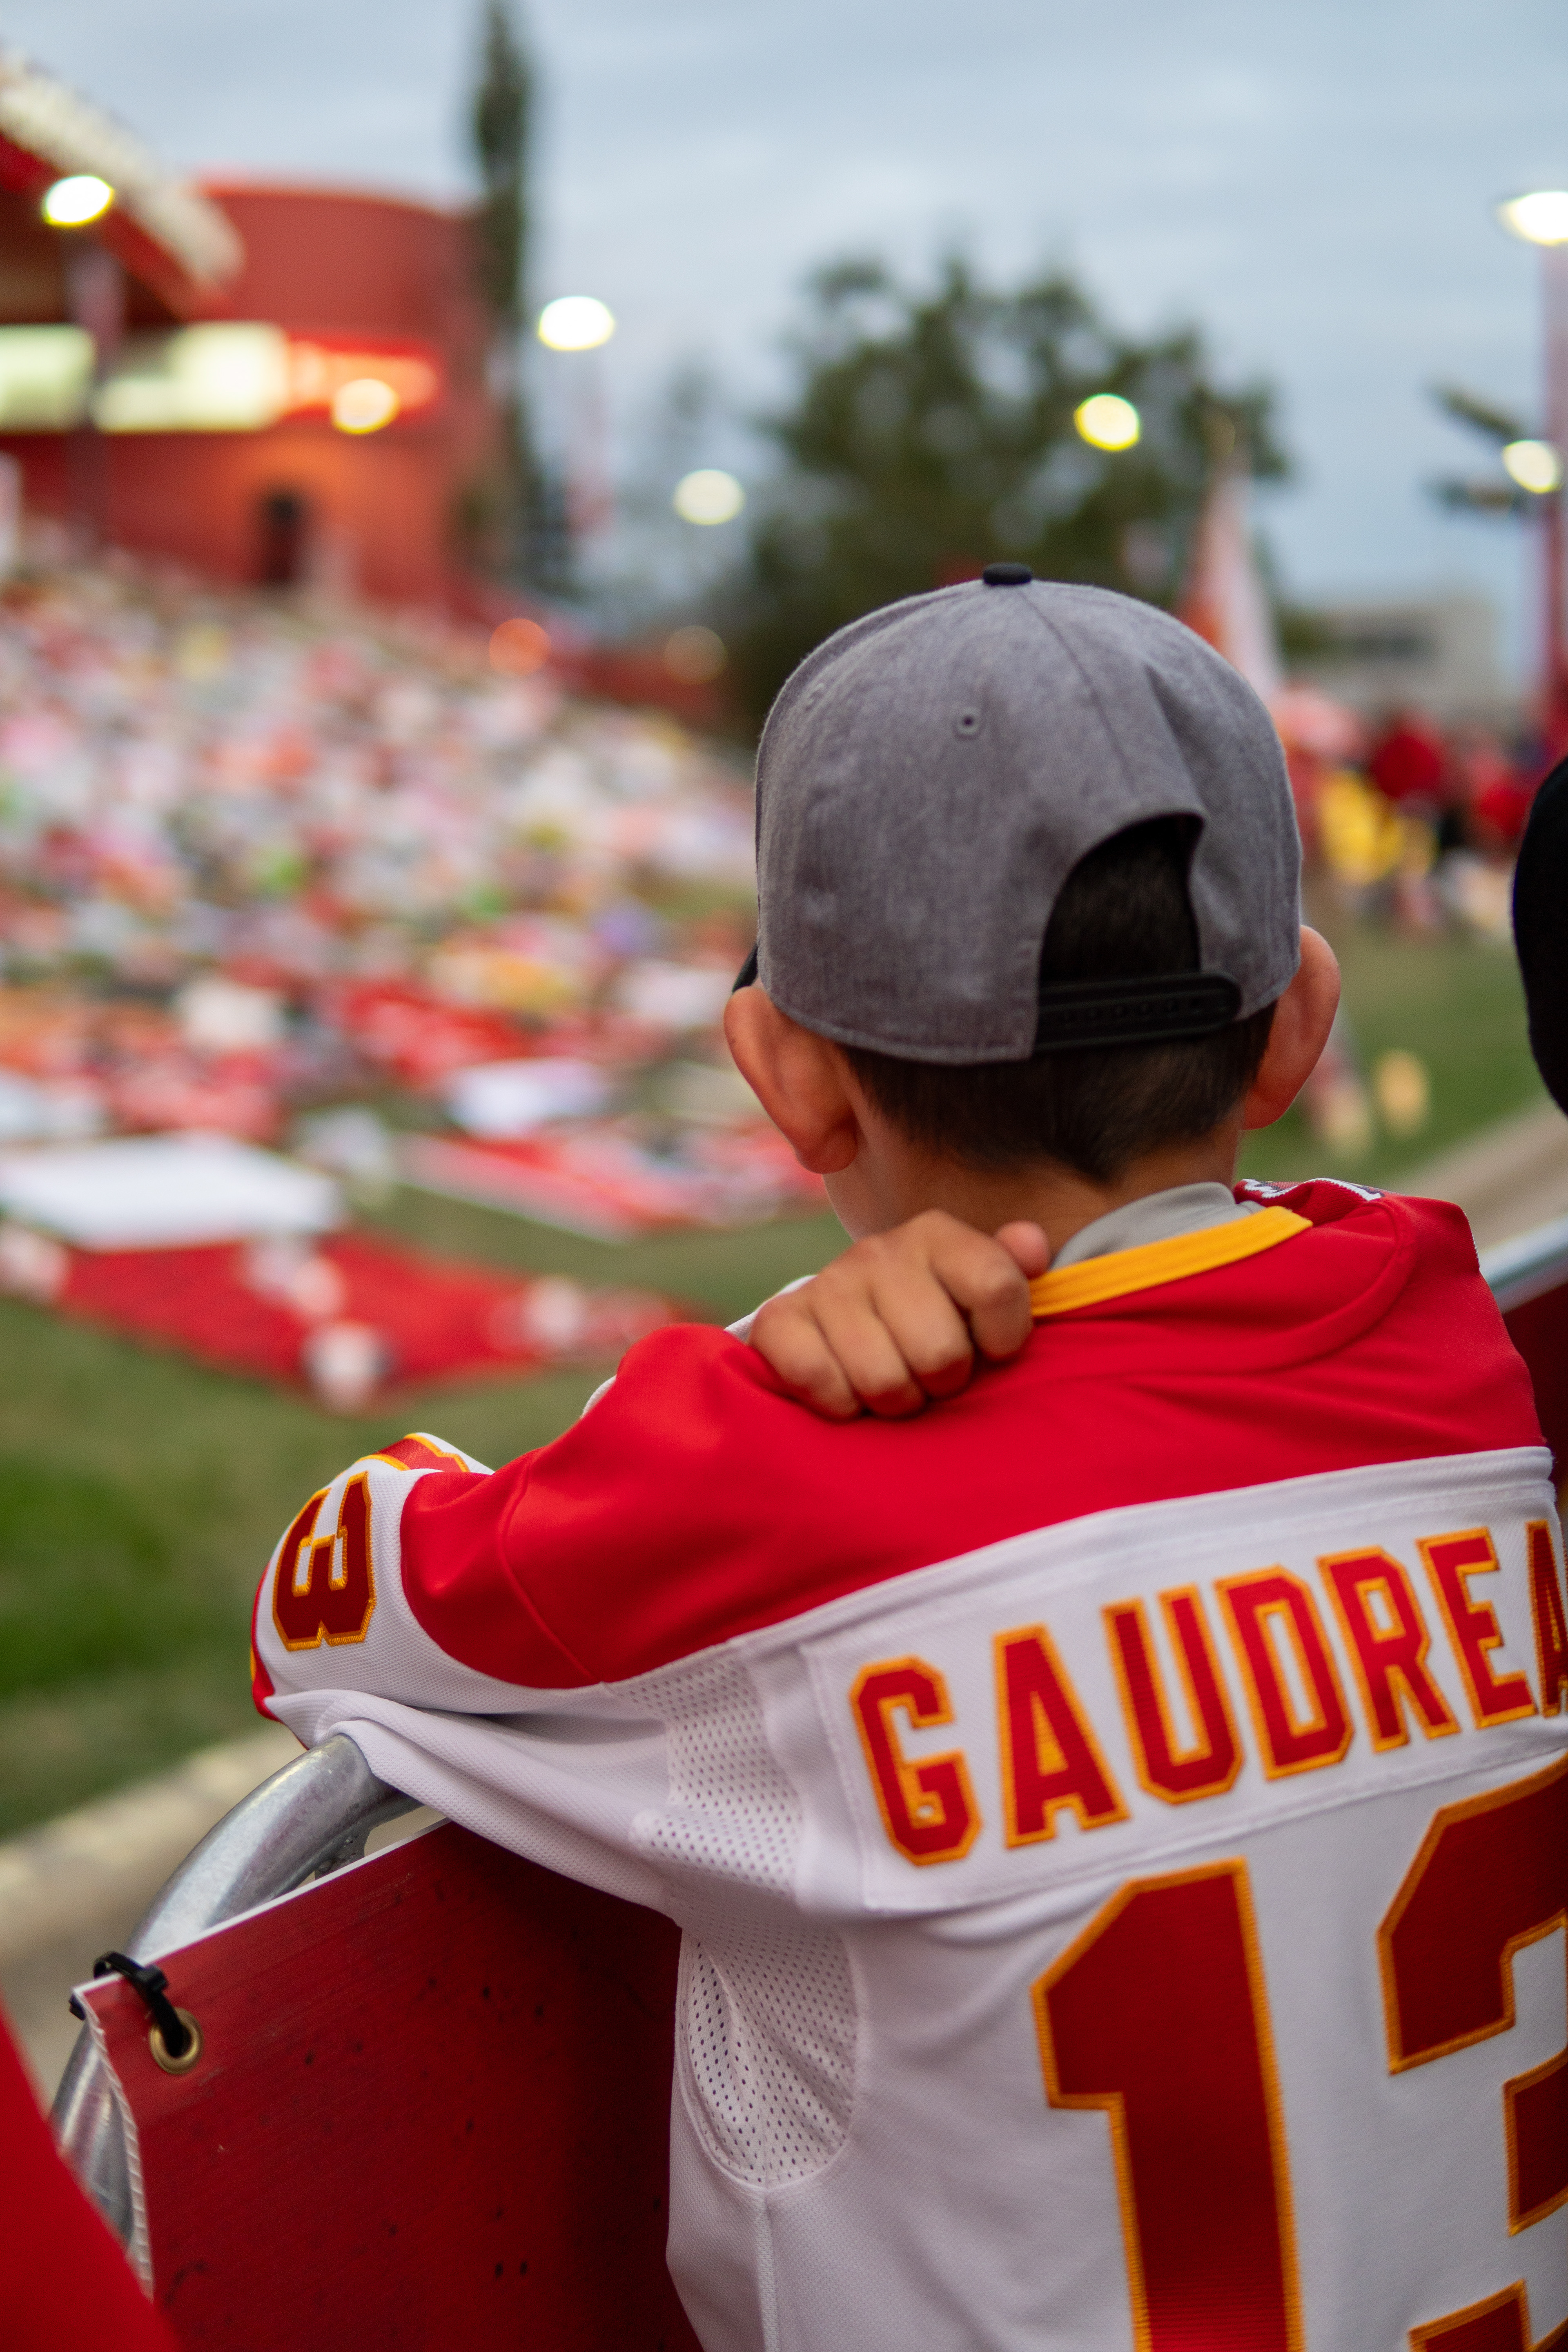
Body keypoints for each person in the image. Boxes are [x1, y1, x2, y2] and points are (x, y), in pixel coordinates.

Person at [252, 575, 1563, 2350]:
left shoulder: (758, 1480)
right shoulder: (1443, 1338)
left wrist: (748, 1367)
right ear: (1299, 1026)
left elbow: (318, 1596)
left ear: (790, 1085)